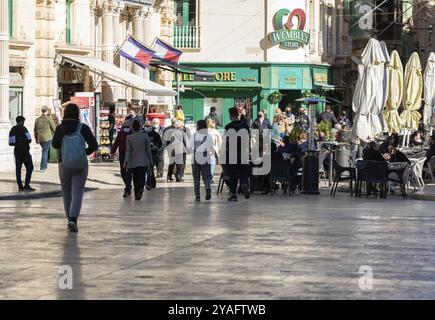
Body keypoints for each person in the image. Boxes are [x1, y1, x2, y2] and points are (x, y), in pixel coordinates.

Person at [52, 103, 98, 232]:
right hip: (80, 163)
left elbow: (55, 144)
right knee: (77, 192)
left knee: (66, 192)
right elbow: (94, 145)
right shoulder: (82, 128)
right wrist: (84, 153)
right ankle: (73, 218)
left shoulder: (60, 128)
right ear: (77, 114)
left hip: (63, 163)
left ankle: (69, 218)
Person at [222, 107, 251, 201]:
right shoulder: (245, 126)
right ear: (238, 115)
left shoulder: (228, 126)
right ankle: (244, 184)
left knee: (233, 174)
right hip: (243, 152)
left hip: (232, 153)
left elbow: (225, 141)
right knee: (243, 172)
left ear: (231, 116)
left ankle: (233, 194)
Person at [124, 120, 153, 200]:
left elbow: (128, 151)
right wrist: (151, 160)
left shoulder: (129, 137)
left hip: (133, 161)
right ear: (140, 127)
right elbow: (148, 149)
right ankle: (141, 188)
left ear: (132, 128)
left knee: (135, 177)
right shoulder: (145, 136)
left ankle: (137, 192)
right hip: (143, 160)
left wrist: (125, 161)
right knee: (142, 176)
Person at [9, 116, 34, 192]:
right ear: (22, 121)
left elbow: (11, 143)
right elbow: (29, 139)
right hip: (25, 151)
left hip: (17, 151)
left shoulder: (12, 130)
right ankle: (26, 185)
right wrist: (23, 141)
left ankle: (20, 186)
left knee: (18, 169)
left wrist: (18, 142)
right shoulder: (24, 129)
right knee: (30, 168)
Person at [191, 120, 214, 201]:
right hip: (206, 156)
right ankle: (207, 188)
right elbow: (211, 147)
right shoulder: (209, 136)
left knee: (196, 177)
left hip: (196, 157)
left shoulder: (194, 136)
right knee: (207, 175)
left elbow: (191, 147)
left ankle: (197, 196)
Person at [111, 120, 133, 198]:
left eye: (127, 127)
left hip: (131, 155)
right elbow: (116, 143)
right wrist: (112, 152)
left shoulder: (133, 134)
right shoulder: (120, 133)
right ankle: (128, 185)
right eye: (124, 127)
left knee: (129, 172)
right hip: (122, 154)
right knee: (123, 171)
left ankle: (127, 189)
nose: (126, 128)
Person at [34, 106, 56, 172]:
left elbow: (35, 130)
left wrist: (36, 139)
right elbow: (54, 128)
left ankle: (43, 167)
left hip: (40, 138)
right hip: (47, 138)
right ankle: (43, 168)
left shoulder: (37, 119)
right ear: (46, 111)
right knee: (45, 152)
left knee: (44, 151)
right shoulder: (48, 119)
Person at [143, 120, 163, 190]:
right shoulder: (142, 134)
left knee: (150, 169)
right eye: (146, 126)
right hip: (144, 154)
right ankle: (152, 183)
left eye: (148, 126)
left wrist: (156, 146)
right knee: (148, 169)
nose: (147, 127)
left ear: (151, 126)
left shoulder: (156, 134)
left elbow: (160, 144)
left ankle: (149, 183)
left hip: (153, 154)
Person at [206, 118, 222, 182]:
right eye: (213, 122)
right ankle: (210, 178)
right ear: (210, 123)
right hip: (212, 151)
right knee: (212, 165)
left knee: (207, 166)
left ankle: (208, 178)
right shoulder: (215, 131)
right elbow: (220, 142)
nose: (214, 123)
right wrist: (219, 151)